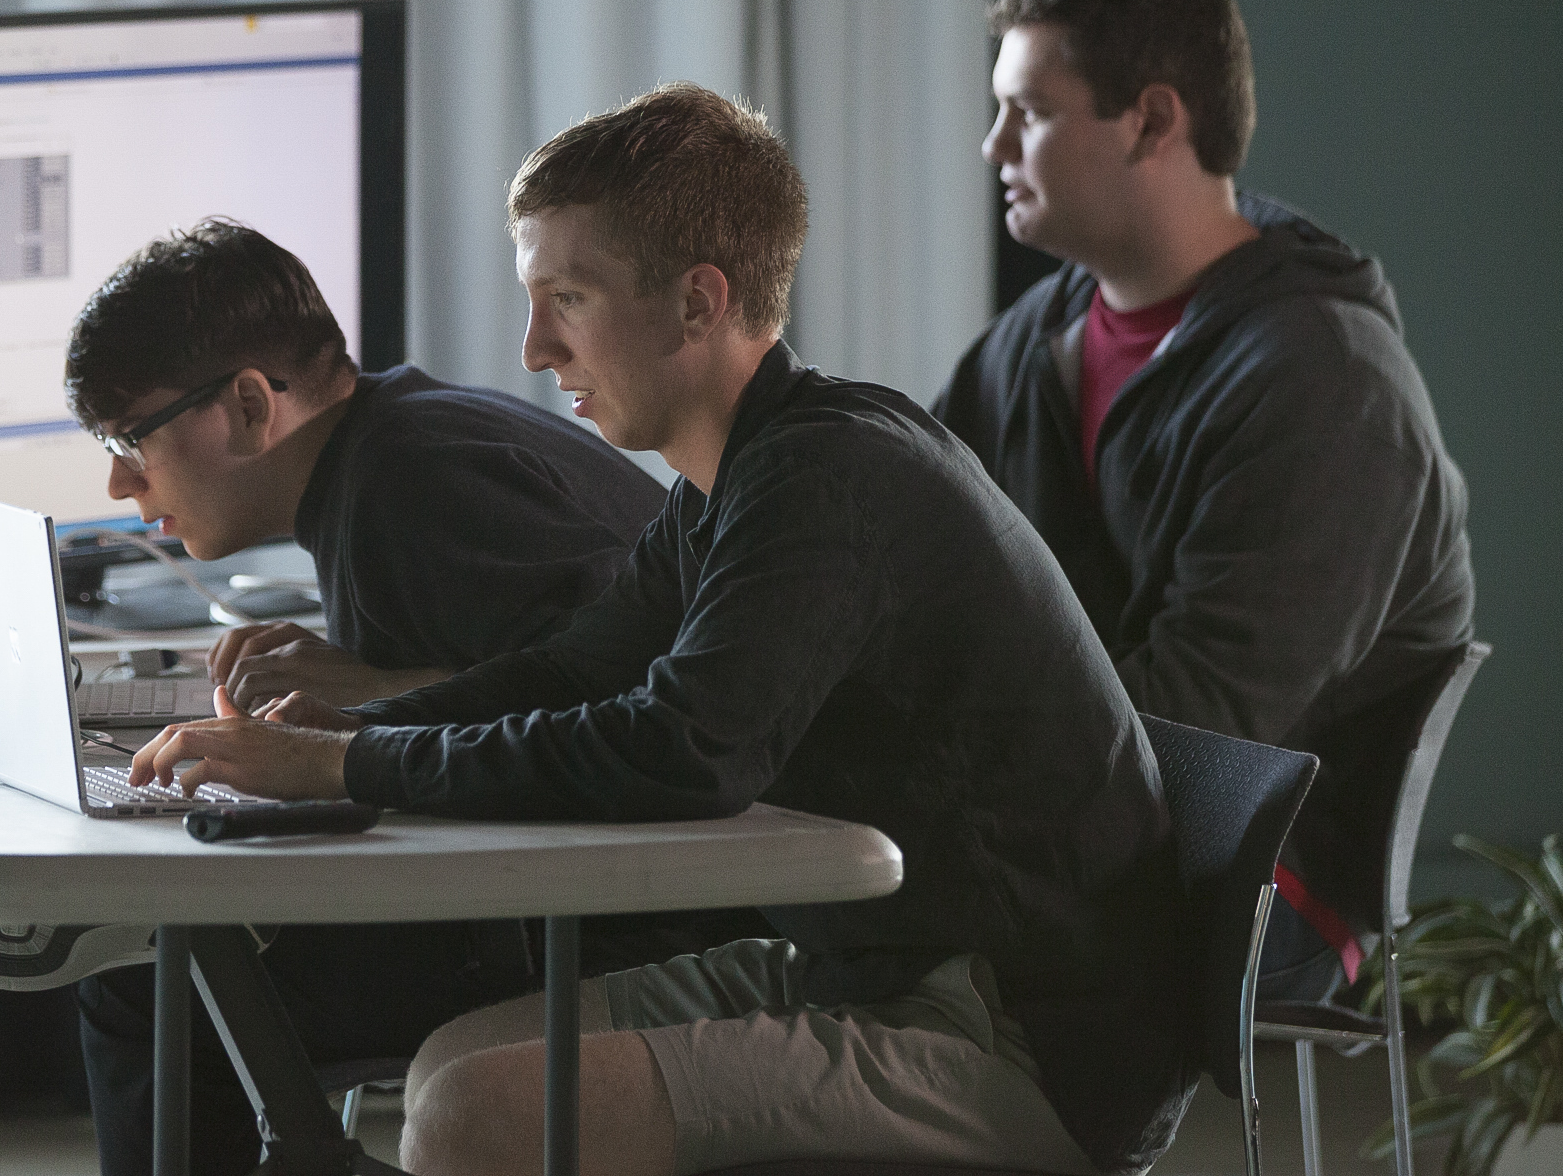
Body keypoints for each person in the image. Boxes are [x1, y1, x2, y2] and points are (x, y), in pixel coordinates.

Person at [132, 87, 1195, 1176]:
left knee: (476, 1118)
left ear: (696, 303)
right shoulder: (731, 480)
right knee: (453, 1065)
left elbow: (682, 749)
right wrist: (342, 736)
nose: (534, 347)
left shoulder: (821, 476)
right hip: (884, 967)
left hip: (1021, 1033)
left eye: (568, 299)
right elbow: (575, 669)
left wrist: (344, 765)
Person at [56, 219, 749, 1176]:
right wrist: (364, 684)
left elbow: (633, 697)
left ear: (251, 405)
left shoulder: (410, 478)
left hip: (616, 920)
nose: (117, 479)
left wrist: (376, 695)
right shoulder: (396, 439)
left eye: (131, 438)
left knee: (152, 983)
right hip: (557, 891)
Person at [933, 0, 1475, 1001]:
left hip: (1259, 882)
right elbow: (912, 561)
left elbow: (1196, 735)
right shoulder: (1031, 344)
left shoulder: (1327, 384)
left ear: (1150, 121)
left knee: (834, 937)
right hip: (1087, 826)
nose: (992, 144)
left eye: (1028, 112)